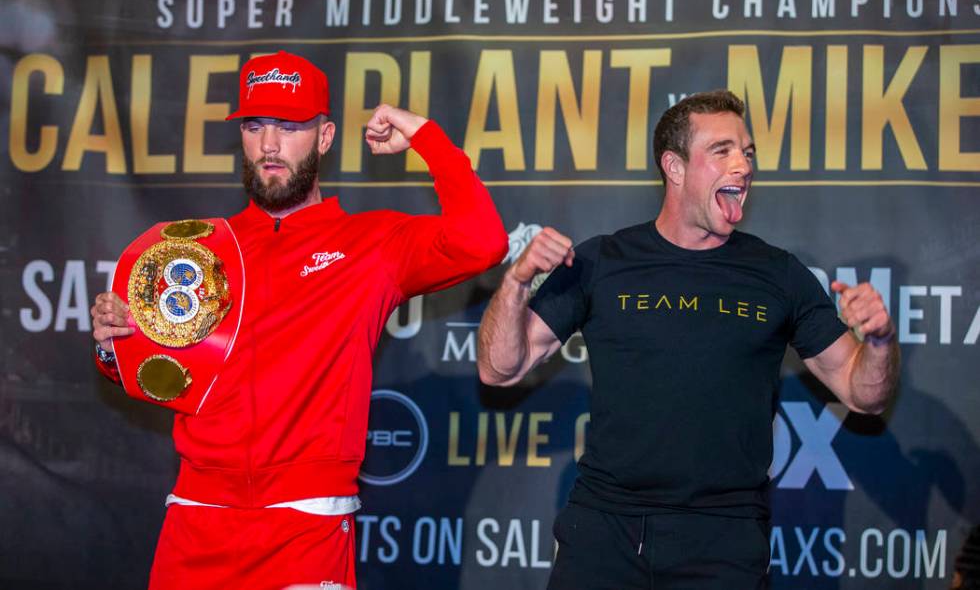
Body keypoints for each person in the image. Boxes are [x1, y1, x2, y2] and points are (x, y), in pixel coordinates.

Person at [90, 50, 507, 590]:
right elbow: (160, 371)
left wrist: (426, 138)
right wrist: (112, 345)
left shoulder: (371, 244)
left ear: (325, 136)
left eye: (289, 127)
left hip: (304, 531)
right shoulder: (200, 251)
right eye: (255, 126)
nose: (269, 145)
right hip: (194, 523)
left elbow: (484, 242)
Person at [476, 89, 900, 589]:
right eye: (722, 151)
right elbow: (498, 367)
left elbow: (864, 396)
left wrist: (879, 341)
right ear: (674, 167)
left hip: (724, 541)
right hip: (605, 532)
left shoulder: (778, 274)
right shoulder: (603, 262)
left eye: (747, 152)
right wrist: (517, 282)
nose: (742, 166)